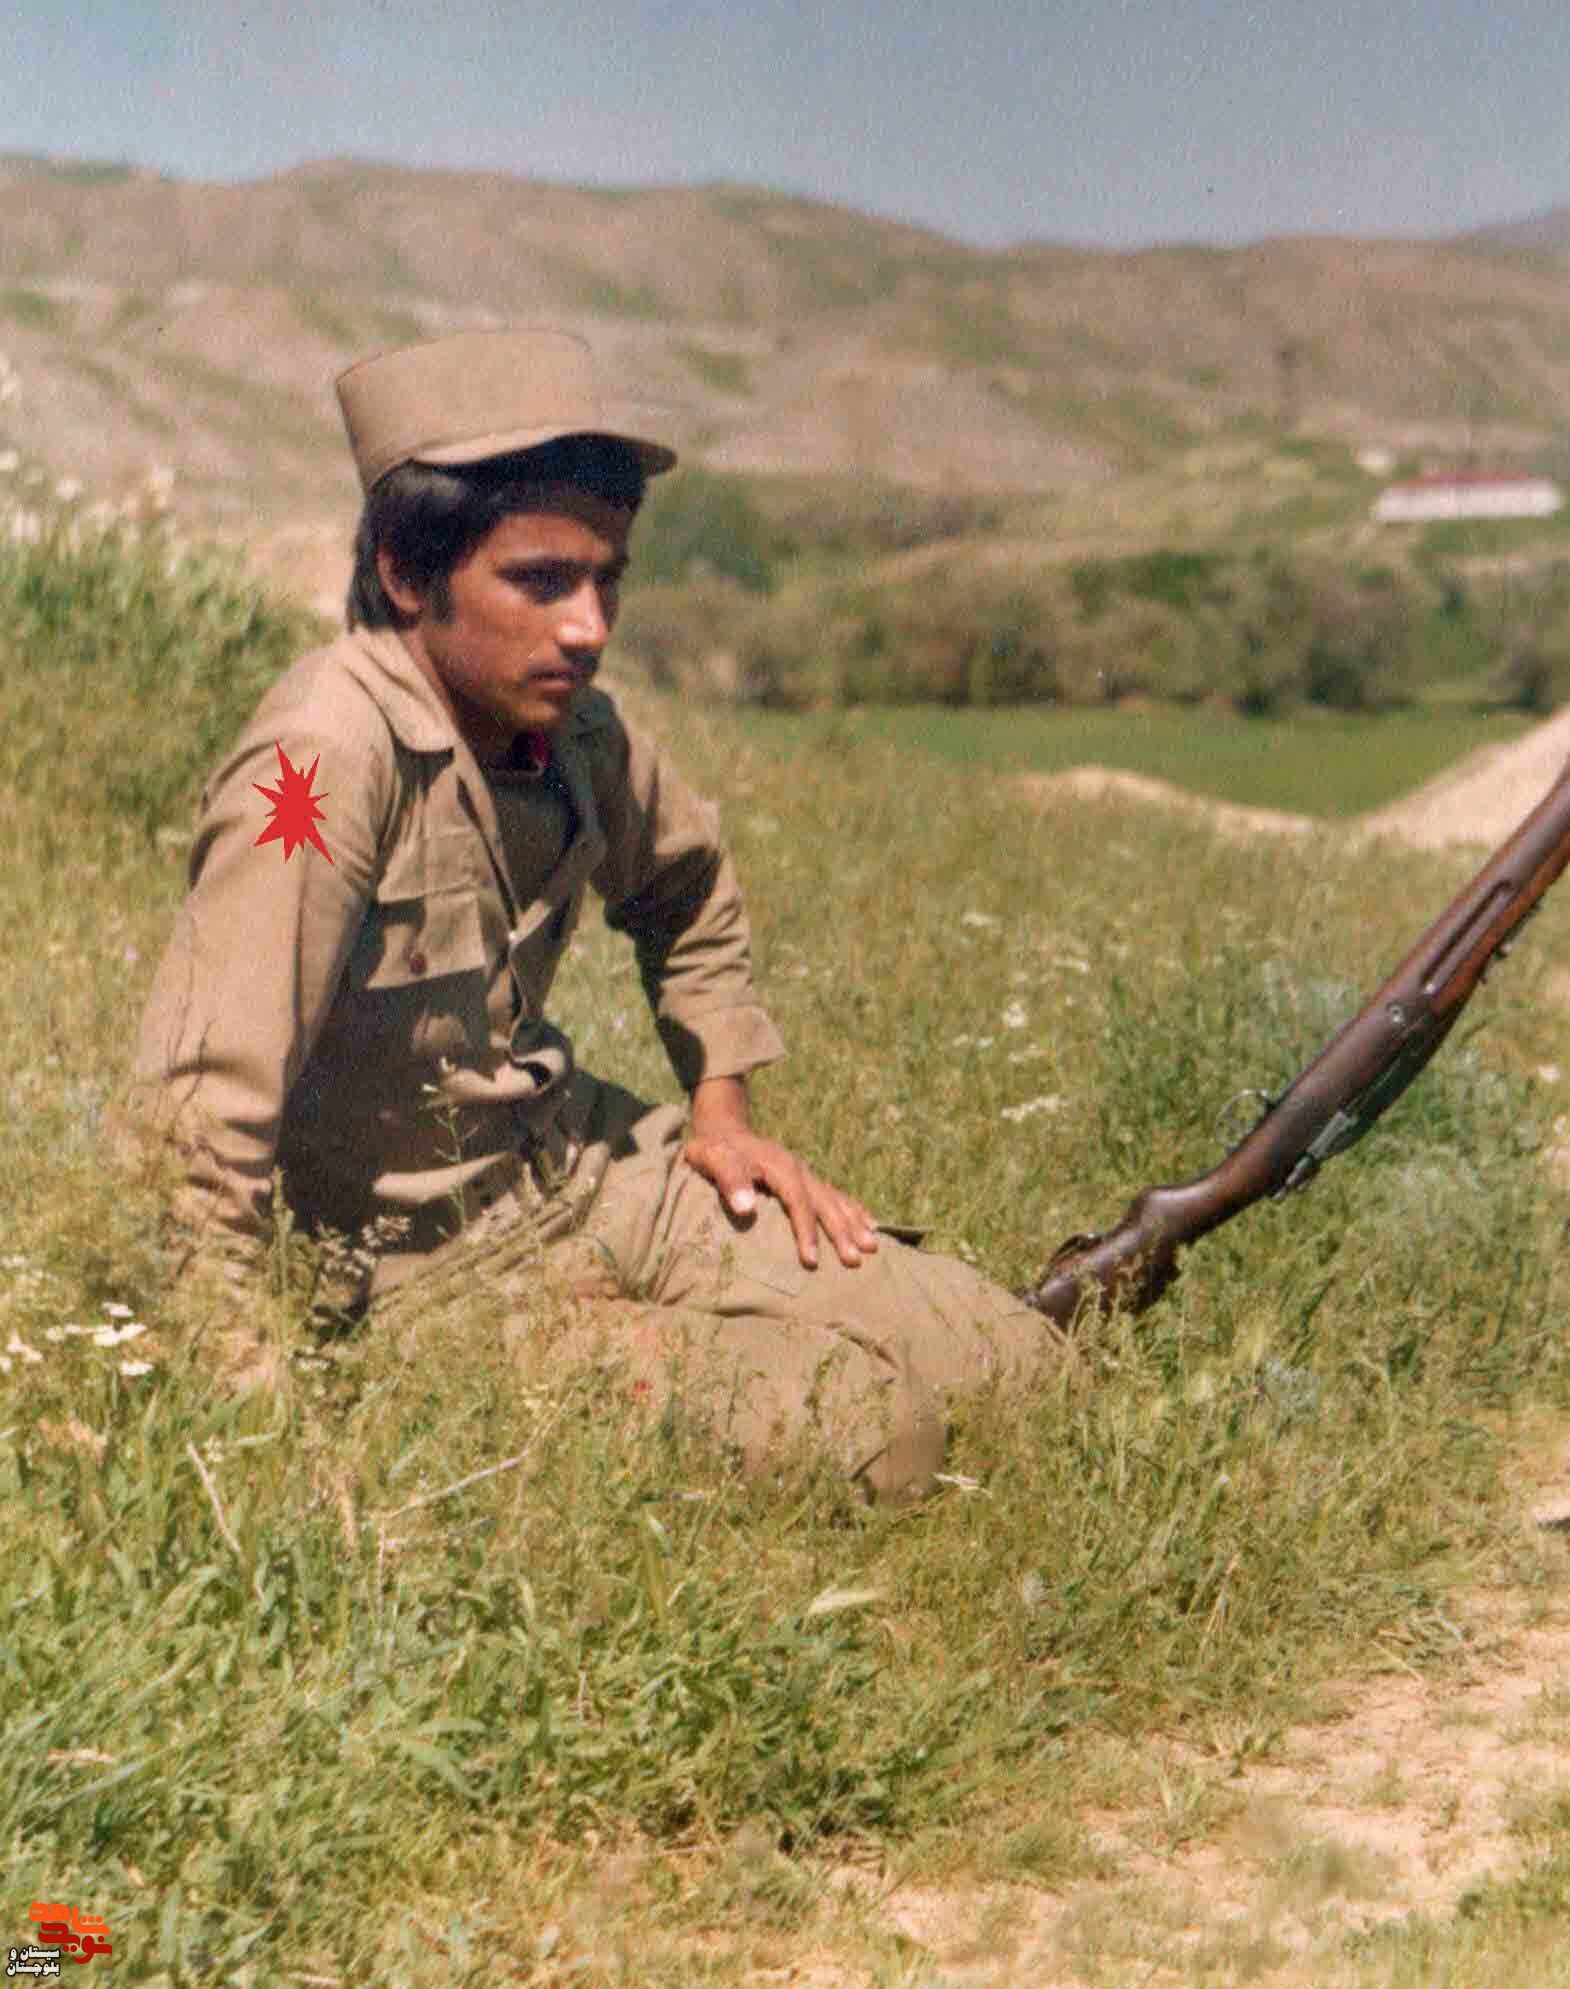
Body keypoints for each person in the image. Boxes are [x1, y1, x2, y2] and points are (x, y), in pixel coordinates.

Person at [128, 328, 1057, 1498]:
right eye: (540, 581)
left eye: (606, 578)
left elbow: (686, 887)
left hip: (584, 1174)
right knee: (878, 1434)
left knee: (1021, 1362)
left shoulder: (573, 731)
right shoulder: (319, 768)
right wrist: (254, 1428)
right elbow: (189, 1133)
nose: (589, 627)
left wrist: (721, 1105)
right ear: (410, 575)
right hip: (419, 1279)